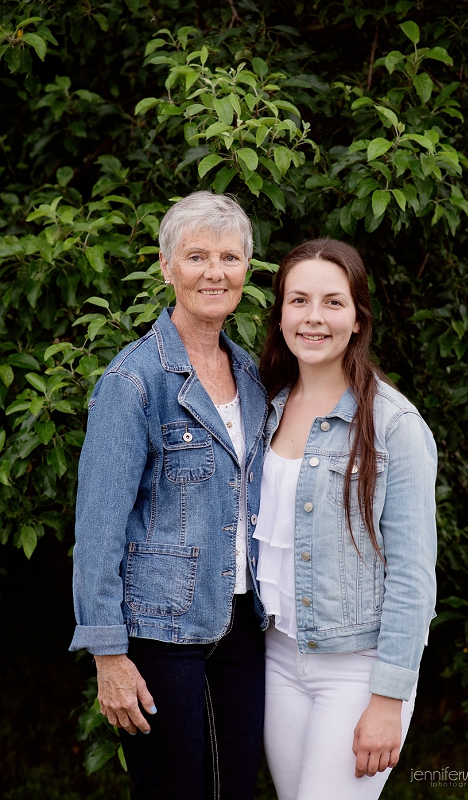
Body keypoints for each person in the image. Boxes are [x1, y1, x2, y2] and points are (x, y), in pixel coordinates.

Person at [69, 191, 269, 800]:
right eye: (197, 256)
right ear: (166, 267)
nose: (216, 272)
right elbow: (98, 526)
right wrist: (108, 653)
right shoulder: (134, 381)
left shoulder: (254, 374)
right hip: (161, 637)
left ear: (246, 271)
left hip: (242, 626)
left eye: (230, 258)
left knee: (233, 789)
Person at [254, 238, 437, 800]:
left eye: (333, 303)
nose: (314, 318)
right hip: (278, 657)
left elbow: (413, 577)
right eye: (299, 300)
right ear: (280, 311)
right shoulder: (266, 405)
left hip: (356, 670)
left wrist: (388, 698)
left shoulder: (395, 425)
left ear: (358, 318)